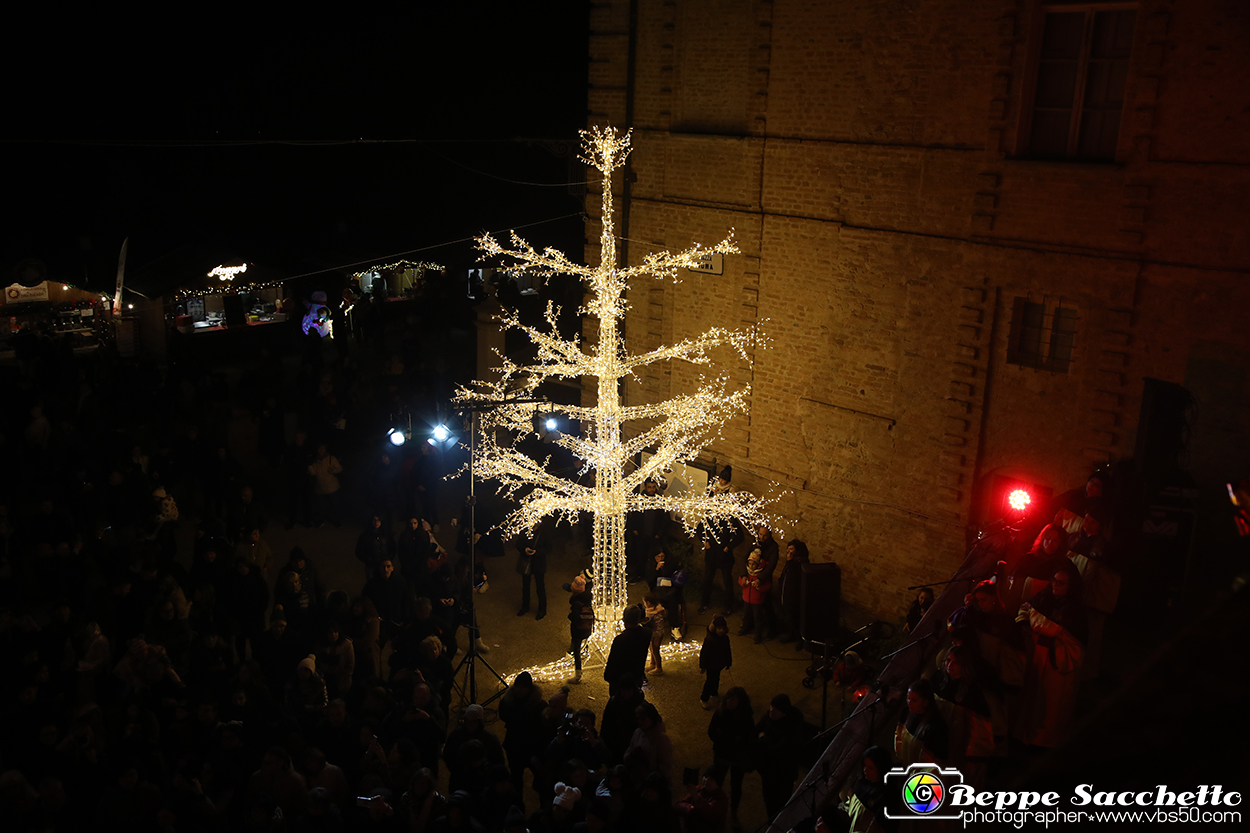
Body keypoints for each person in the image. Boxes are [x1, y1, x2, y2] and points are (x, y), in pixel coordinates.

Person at [1014, 565, 1086, 749]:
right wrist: (1024, 625)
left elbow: (1076, 642)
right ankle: (1023, 735)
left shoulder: (1075, 610)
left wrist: (1047, 633)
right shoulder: (1043, 596)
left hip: (1056, 663)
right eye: (1054, 580)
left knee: (1048, 704)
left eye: (1061, 583)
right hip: (1036, 656)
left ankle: (1043, 741)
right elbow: (1026, 609)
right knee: (1029, 699)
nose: (1056, 585)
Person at [755, 694, 811, 820]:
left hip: (783, 775)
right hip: (767, 771)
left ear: (784, 713)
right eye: (771, 706)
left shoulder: (791, 730)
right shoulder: (769, 718)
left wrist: (763, 739)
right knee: (768, 800)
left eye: (775, 709)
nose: (771, 710)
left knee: (780, 804)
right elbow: (756, 729)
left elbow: (778, 751)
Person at [707, 686, 754, 820]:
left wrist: (723, 736)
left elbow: (747, 738)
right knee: (716, 781)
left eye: (733, 700)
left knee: (736, 785)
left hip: (737, 758)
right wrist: (733, 738)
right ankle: (714, 808)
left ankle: (733, 812)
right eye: (728, 698)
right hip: (722, 755)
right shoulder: (720, 713)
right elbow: (711, 732)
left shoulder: (746, 718)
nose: (729, 702)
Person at [840, 746, 897, 833]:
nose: (865, 770)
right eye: (864, 766)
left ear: (881, 769)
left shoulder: (887, 796)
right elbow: (849, 805)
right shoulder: (861, 783)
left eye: (870, 768)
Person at [893, 678, 949, 766]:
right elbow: (899, 736)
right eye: (908, 698)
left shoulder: (936, 727)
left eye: (914, 700)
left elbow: (934, 763)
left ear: (925, 702)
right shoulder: (906, 712)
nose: (909, 703)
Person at [603, 604, 651, 694]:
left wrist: (609, 677)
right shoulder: (647, 633)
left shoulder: (620, 640)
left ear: (624, 619)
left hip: (621, 680)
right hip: (637, 675)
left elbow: (613, 661)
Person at [675, 763, 729, 833]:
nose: (706, 780)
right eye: (706, 776)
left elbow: (709, 813)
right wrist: (690, 808)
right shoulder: (699, 789)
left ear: (718, 783)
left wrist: (696, 798)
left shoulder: (721, 798)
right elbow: (678, 805)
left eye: (711, 779)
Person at [776, 539, 809, 647]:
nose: (788, 551)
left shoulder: (801, 563)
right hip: (786, 594)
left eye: (791, 549)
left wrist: (790, 561)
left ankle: (799, 639)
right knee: (789, 618)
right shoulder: (791, 562)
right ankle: (791, 635)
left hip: (794, 597)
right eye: (788, 548)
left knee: (795, 618)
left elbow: (795, 578)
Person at [565, 571, 594, 685]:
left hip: (578, 630)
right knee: (583, 642)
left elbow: (576, 618)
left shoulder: (576, 603)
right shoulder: (587, 599)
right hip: (587, 627)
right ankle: (585, 649)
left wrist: (570, 615)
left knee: (576, 649)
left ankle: (578, 674)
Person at [516, 521, 549, 620]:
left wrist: (537, 552)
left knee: (540, 587)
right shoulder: (525, 530)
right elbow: (518, 544)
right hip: (527, 562)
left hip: (538, 563)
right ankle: (525, 606)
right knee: (525, 586)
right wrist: (524, 550)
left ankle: (542, 609)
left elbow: (548, 547)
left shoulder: (544, 532)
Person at [736, 551, 771, 644]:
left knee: (757, 618)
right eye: (750, 564)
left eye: (753, 564)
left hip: (757, 601)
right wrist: (743, 582)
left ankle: (758, 634)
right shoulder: (747, 573)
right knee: (747, 615)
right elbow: (740, 580)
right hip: (747, 599)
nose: (751, 566)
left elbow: (767, 587)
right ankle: (745, 628)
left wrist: (759, 587)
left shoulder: (761, 575)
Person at [698, 615, 732, 709]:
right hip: (710, 665)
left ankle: (714, 693)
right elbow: (704, 654)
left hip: (719, 664)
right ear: (715, 628)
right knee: (710, 681)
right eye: (719, 628)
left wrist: (728, 662)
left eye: (723, 628)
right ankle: (704, 698)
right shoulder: (709, 640)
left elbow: (727, 651)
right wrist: (703, 666)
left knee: (716, 679)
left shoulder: (725, 639)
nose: (721, 630)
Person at [308, 443, 343, 528]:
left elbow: (339, 468)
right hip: (320, 487)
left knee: (335, 505)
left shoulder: (331, 459)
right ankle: (320, 520)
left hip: (332, 487)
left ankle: (337, 521)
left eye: (323, 448)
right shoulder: (314, 460)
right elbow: (312, 471)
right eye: (319, 448)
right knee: (321, 506)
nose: (321, 450)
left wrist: (333, 470)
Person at [643, 594, 667, 676]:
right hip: (656, 632)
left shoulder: (651, 612)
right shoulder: (658, 609)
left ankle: (659, 668)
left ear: (648, 603)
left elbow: (647, 621)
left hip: (657, 633)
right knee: (651, 648)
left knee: (655, 650)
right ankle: (652, 664)